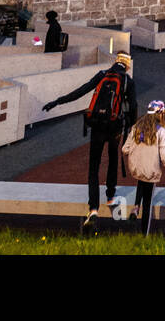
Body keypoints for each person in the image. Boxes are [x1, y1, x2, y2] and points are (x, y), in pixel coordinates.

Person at [42, 52, 137, 230]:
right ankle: (110, 195)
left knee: (93, 167)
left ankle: (93, 209)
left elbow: (81, 91)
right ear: (127, 65)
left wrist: (57, 102)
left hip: (97, 126)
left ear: (116, 62)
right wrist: (131, 126)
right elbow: (133, 107)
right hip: (115, 126)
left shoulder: (102, 75)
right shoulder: (127, 81)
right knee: (113, 160)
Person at [121, 100, 165, 236]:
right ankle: (144, 236)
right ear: (160, 114)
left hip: (135, 168)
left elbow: (125, 149)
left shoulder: (136, 127)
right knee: (148, 202)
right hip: (150, 171)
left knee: (141, 177)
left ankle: (136, 207)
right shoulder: (161, 131)